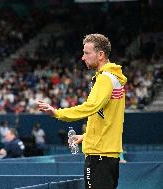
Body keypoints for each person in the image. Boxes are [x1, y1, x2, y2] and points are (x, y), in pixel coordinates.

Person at [38, 34, 127, 189]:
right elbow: (107, 119)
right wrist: (86, 136)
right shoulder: (113, 78)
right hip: (107, 154)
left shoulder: (105, 79)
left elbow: (90, 107)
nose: (83, 57)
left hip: (99, 155)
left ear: (100, 55)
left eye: (87, 53)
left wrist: (58, 113)